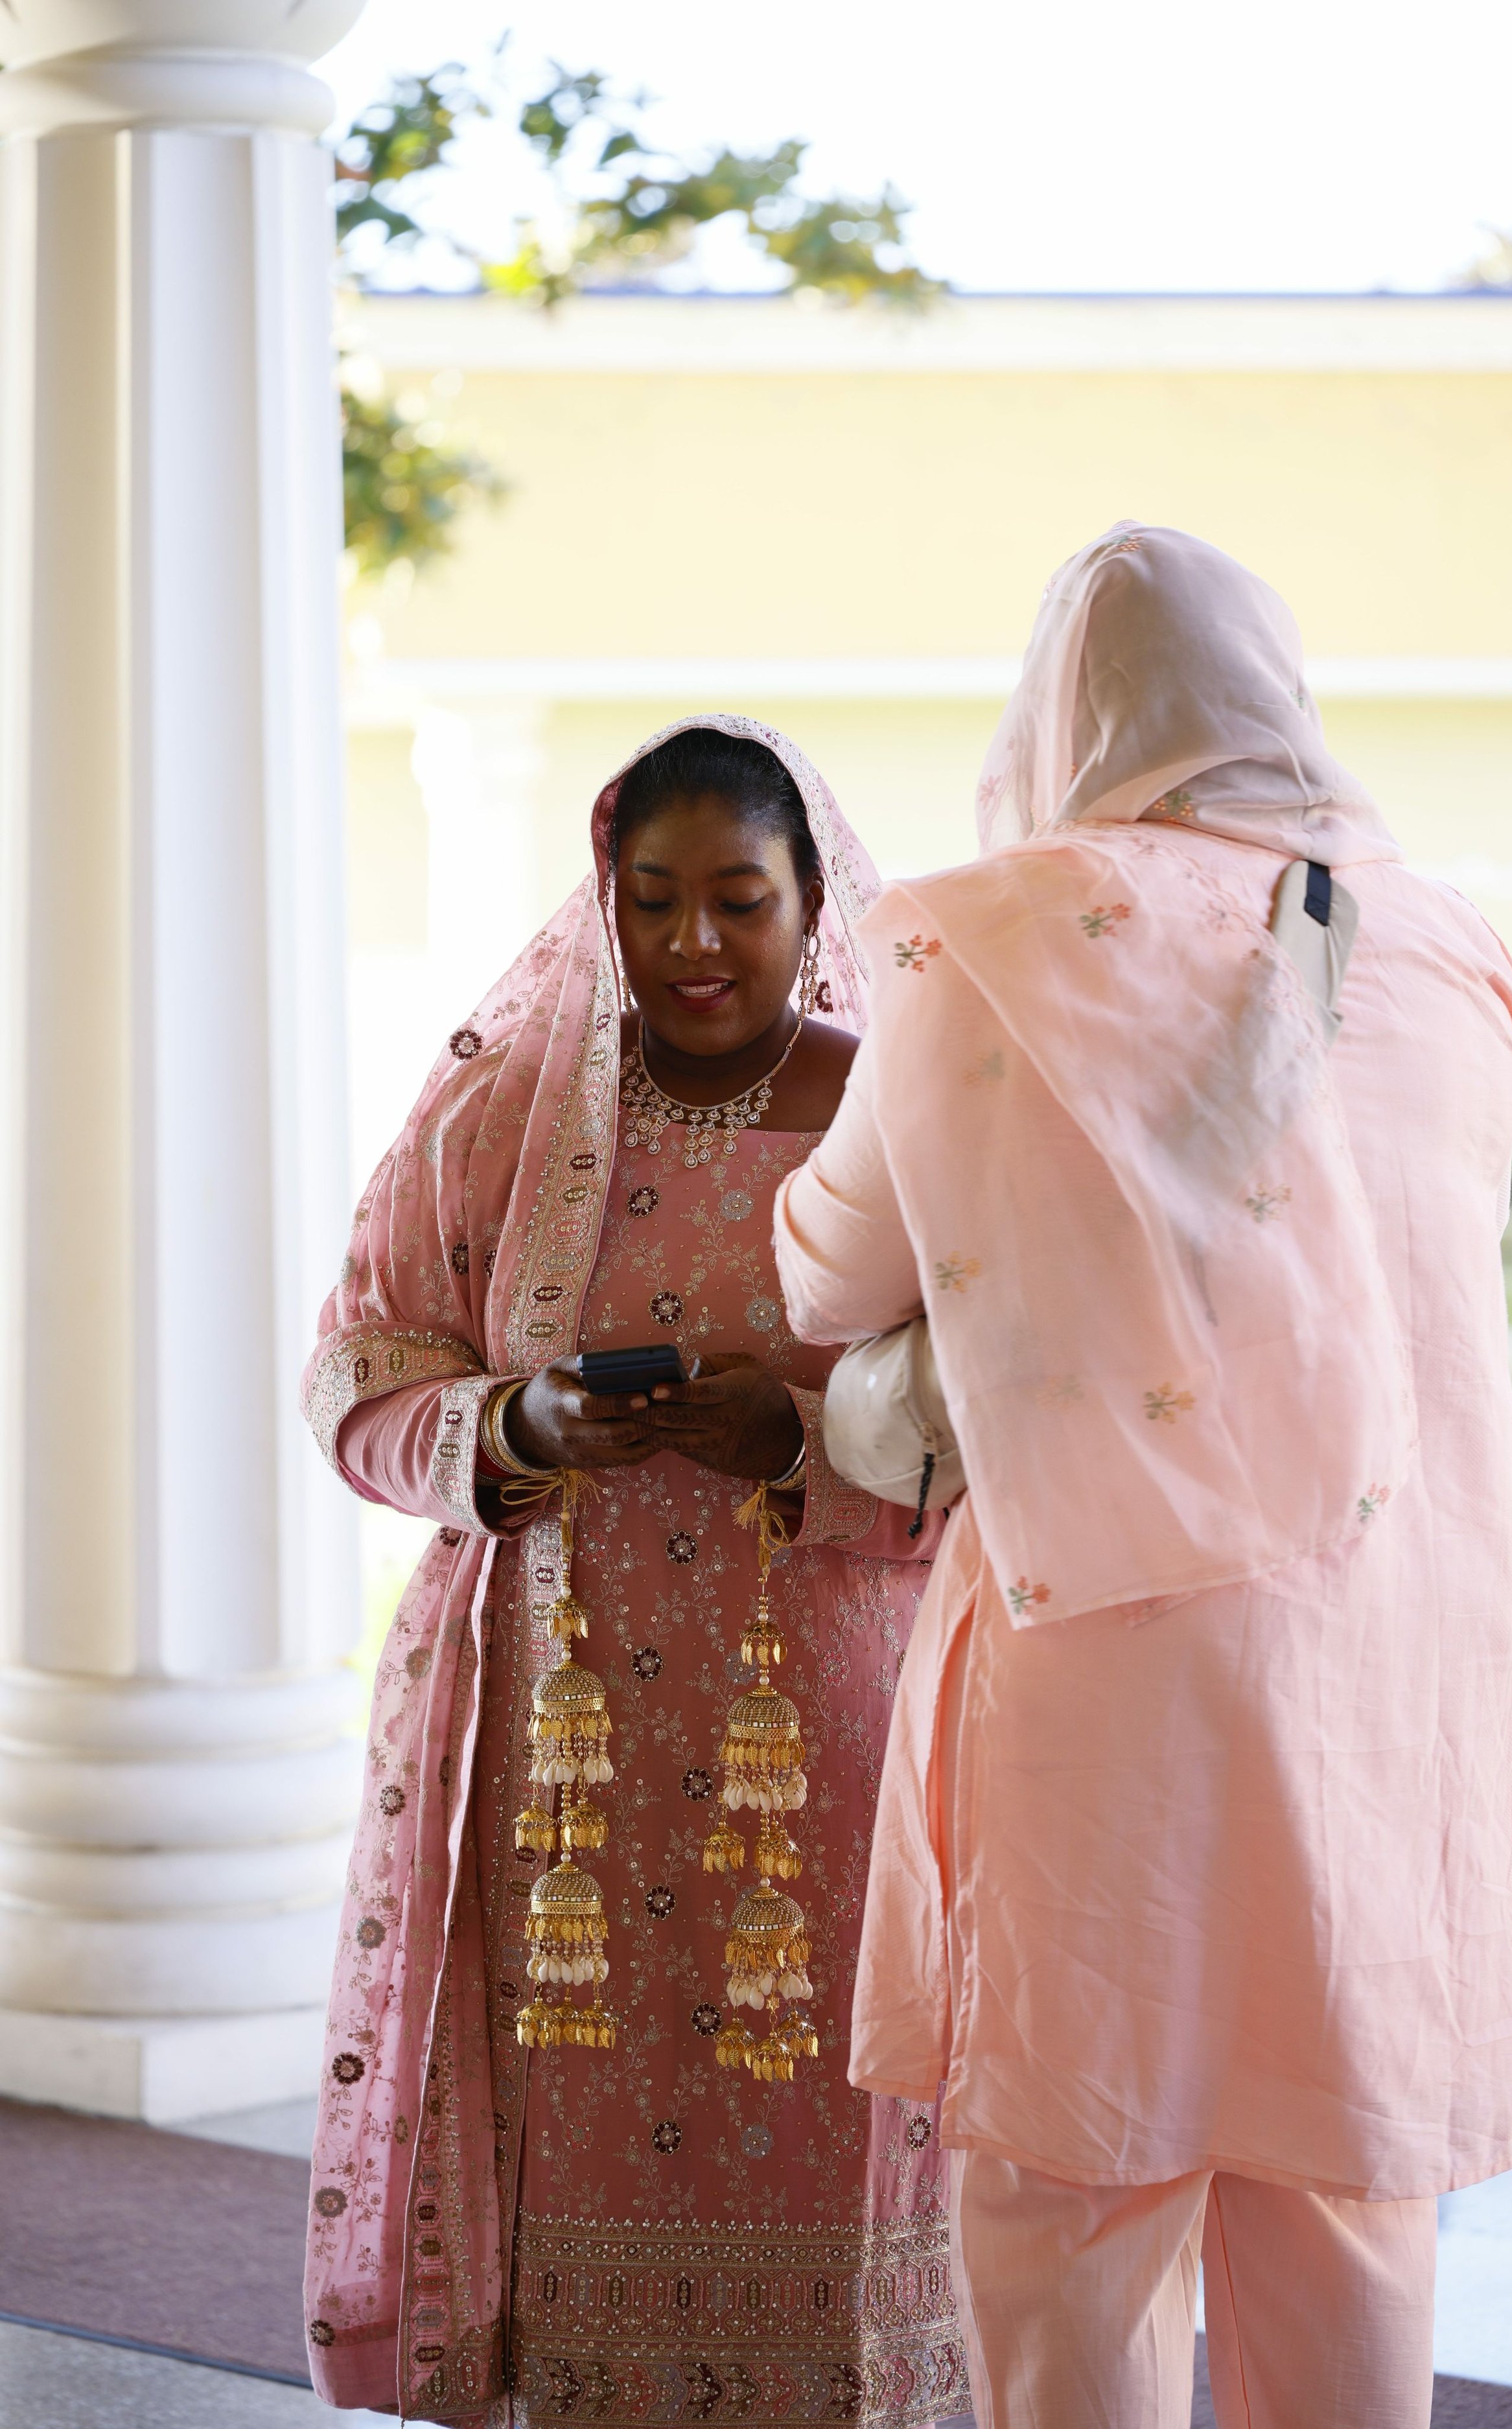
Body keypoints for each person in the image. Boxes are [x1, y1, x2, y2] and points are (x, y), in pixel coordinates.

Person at [774, 527, 1512, 2429]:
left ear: (1061, 711)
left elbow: (828, 1271)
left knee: (1072, 2198)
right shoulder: (1452, 950)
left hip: (1108, 1647)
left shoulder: (990, 938)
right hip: (1383, 1663)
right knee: (1342, 2180)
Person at [301, 718, 967, 2426]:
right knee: (578, 2121)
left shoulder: (903, 1121)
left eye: (736, 899)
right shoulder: (502, 1115)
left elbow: (1002, 1435)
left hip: (830, 1739)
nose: (690, 941)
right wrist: (510, 1419)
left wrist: (797, 1441)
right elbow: (354, 1389)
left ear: (809, 900)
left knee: (831, 2118)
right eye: (652, 897)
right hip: (562, 1777)